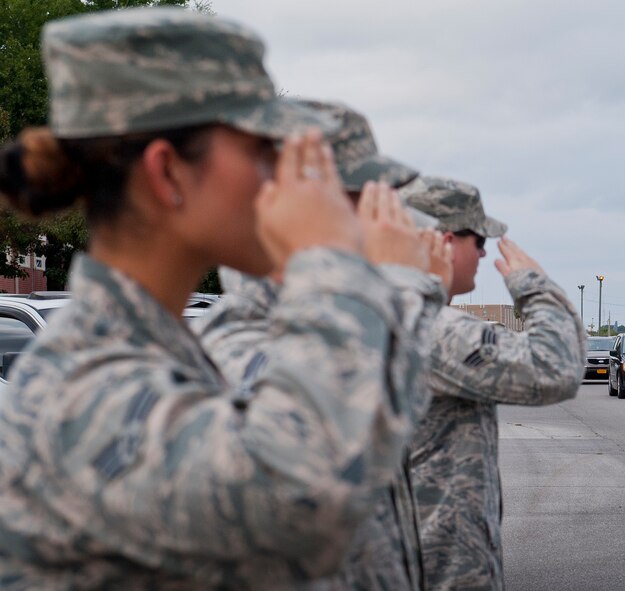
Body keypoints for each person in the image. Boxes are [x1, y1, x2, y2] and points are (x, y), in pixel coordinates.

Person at [0, 8, 433, 588]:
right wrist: (329, 260)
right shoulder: (84, 389)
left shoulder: (152, 352)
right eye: (260, 151)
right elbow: (310, 510)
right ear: (169, 173)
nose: (278, 178)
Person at [196, 99, 452, 590]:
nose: (387, 219)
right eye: (362, 200)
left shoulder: (342, 318)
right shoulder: (242, 338)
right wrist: (402, 285)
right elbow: (322, 471)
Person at [401, 176, 585, 590]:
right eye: (479, 240)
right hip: (440, 570)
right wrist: (536, 288)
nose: (485, 252)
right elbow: (555, 368)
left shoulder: (397, 313)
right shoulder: (430, 327)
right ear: (446, 241)